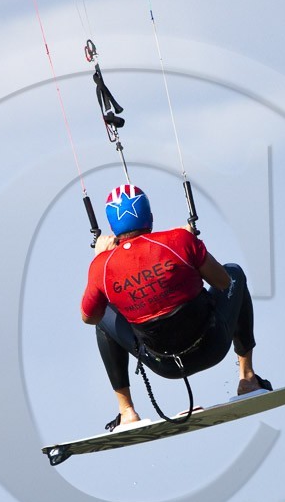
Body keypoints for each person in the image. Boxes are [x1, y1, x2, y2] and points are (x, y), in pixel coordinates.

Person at [79, 184, 271, 430]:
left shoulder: (102, 266)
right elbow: (223, 282)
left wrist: (99, 257)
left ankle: (127, 412)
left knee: (103, 316)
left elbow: (89, 317)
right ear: (150, 216)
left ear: (112, 228)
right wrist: (192, 245)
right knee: (234, 272)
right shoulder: (179, 241)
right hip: (212, 346)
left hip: (164, 364)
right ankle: (248, 379)